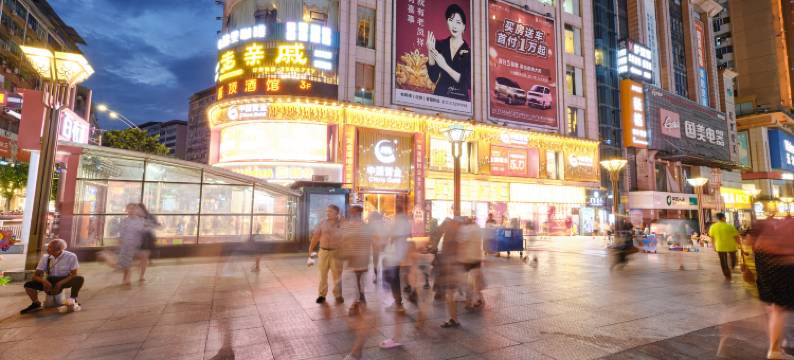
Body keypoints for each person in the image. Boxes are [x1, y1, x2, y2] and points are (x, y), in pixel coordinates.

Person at [748, 217, 794, 359]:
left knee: (776, 311)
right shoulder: (773, 243)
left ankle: (780, 343)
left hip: (768, 284)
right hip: (780, 283)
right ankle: (775, 349)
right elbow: (787, 258)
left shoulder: (759, 243)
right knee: (778, 311)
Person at [20, 239, 83, 314]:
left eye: (50, 248)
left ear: (59, 250)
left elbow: (74, 274)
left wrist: (60, 283)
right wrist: (45, 282)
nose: (48, 249)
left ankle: (72, 299)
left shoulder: (71, 256)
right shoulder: (45, 258)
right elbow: (35, 276)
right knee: (28, 285)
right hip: (49, 281)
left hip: (64, 280)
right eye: (48, 247)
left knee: (79, 279)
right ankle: (36, 303)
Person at [425, 4, 471, 101]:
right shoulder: (440, 45)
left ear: (463, 27)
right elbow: (433, 78)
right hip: (440, 97)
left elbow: (467, 83)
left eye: (458, 22)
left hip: (460, 101)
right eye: (450, 20)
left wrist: (445, 66)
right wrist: (430, 51)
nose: (454, 26)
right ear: (447, 22)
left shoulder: (469, 52)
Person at [340, 205, 374, 314]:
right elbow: (343, 240)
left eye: (354, 213)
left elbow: (370, 240)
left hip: (361, 257)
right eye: (352, 212)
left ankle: (357, 299)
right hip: (353, 257)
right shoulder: (350, 226)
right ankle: (358, 297)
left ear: (359, 214)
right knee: (355, 280)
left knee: (357, 280)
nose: (353, 214)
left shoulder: (365, 226)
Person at [307, 205, 343, 304]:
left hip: (337, 252)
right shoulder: (322, 223)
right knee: (323, 275)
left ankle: (338, 295)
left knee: (337, 275)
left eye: (330, 211)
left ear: (337, 213)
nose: (328, 213)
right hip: (323, 252)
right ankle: (322, 295)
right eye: (327, 211)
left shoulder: (342, 224)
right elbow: (315, 236)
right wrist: (310, 249)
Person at [436, 217, 464, 328]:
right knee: (450, 295)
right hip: (452, 268)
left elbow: (450, 254)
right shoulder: (455, 235)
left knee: (450, 295)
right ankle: (453, 318)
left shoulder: (451, 236)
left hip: (450, 269)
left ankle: (454, 319)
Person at [382, 205, 411, 313]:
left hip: (394, 255)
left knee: (393, 279)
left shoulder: (399, 221)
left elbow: (393, 237)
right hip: (399, 253)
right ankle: (398, 300)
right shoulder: (405, 221)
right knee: (394, 278)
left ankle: (398, 303)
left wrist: (388, 238)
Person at [117, 203, 154, 285]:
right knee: (126, 262)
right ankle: (126, 277)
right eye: (129, 209)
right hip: (126, 244)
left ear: (136, 210)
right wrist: (120, 241)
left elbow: (147, 229)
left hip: (135, 244)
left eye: (133, 209)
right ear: (126, 210)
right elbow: (121, 232)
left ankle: (128, 278)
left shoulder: (141, 221)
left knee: (129, 261)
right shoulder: (124, 221)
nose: (131, 211)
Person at [459, 217, 484, 309]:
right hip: (477, 258)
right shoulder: (477, 228)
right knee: (476, 281)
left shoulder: (464, 230)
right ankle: (477, 299)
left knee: (467, 282)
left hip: (467, 259)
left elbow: (462, 244)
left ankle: (468, 301)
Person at [708, 212, 740, 281]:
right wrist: (739, 244)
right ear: (723, 218)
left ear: (717, 219)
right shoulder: (730, 226)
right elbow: (736, 237)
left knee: (723, 261)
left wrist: (713, 247)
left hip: (720, 246)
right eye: (725, 217)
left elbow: (712, 238)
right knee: (733, 258)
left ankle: (727, 274)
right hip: (731, 246)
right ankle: (732, 267)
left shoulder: (713, 227)